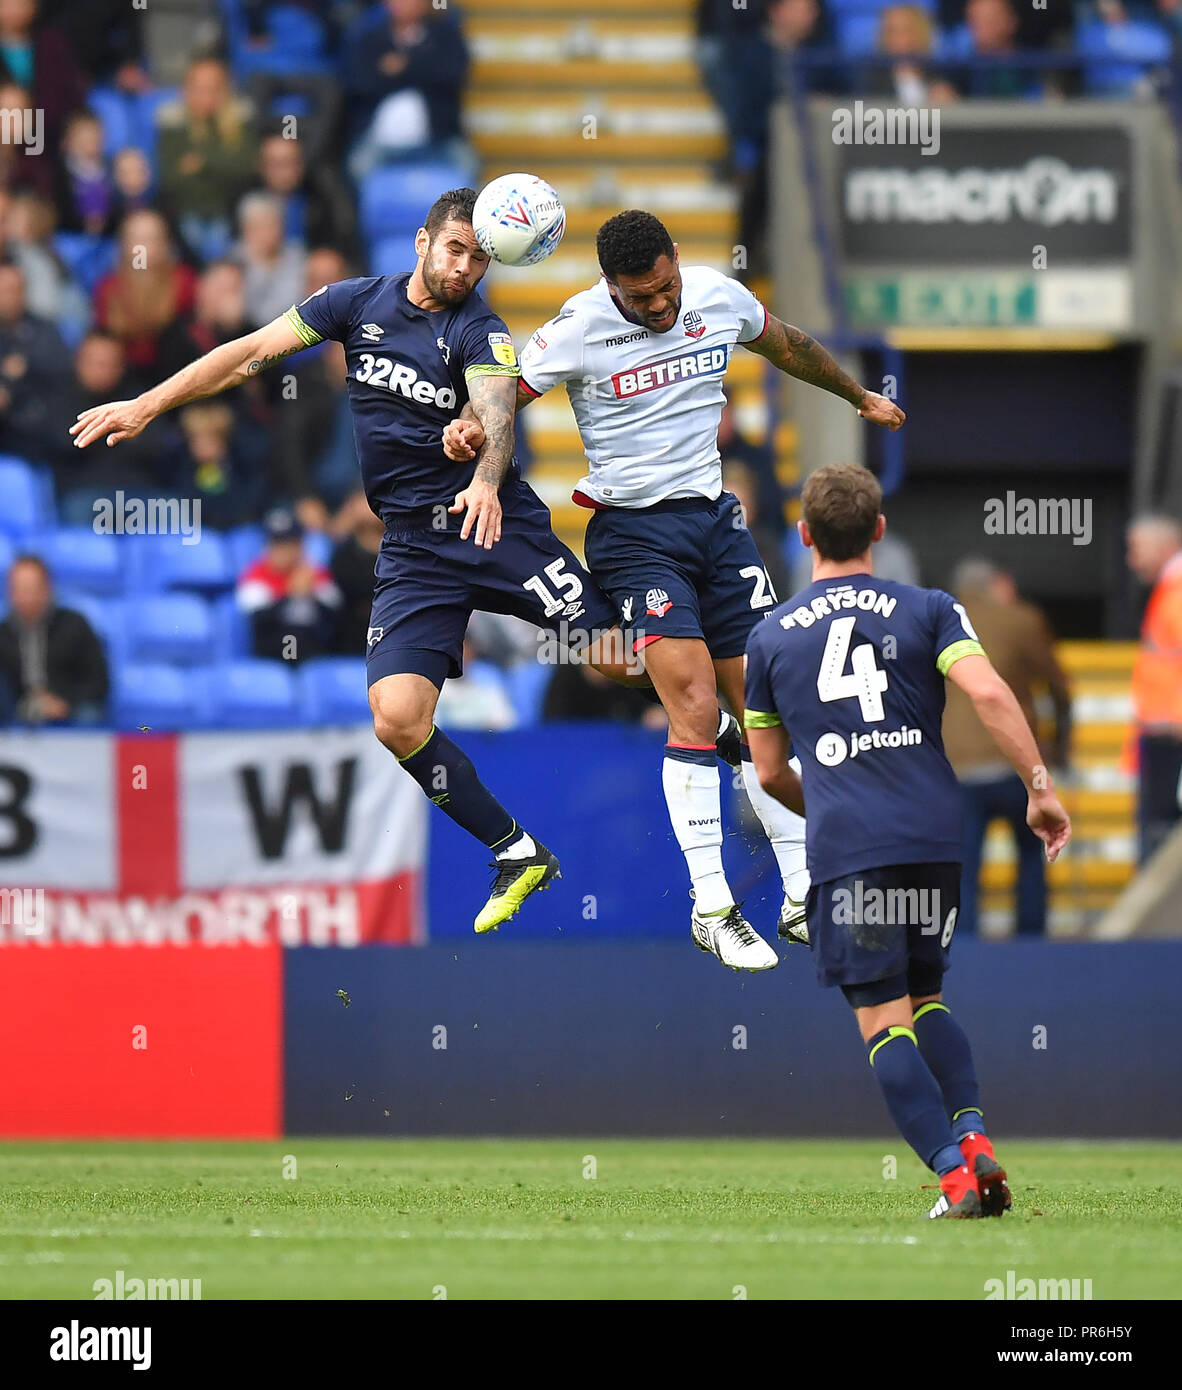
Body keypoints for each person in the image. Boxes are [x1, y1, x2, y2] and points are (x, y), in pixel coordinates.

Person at [70, 187, 686, 938]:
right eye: (455, 250)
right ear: (422, 241)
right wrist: (147, 404)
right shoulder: (351, 303)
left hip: (492, 526)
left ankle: (726, 718)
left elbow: (495, 408)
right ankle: (516, 849)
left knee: (619, 661)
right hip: (415, 548)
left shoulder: (480, 330)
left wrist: (486, 475)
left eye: (481, 257)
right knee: (396, 719)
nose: (465, 269)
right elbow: (249, 355)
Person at [444, 209, 904, 971]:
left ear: (677, 262)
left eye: (664, 290)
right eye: (640, 298)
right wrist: (468, 426)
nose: (658, 307)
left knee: (766, 706)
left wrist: (857, 397)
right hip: (632, 534)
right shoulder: (577, 327)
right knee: (693, 706)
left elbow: (787, 344)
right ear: (609, 286)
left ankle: (798, 895)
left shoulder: (718, 297)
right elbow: (502, 395)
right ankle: (714, 906)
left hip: (717, 525)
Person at [744, 463, 1071, 1218]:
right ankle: (975, 1136)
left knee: (881, 1022)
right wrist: (1039, 788)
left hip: (853, 846)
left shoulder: (768, 638)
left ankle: (957, 1181)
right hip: (933, 836)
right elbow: (990, 692)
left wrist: (821, 797)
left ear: (803, 535)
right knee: (929, 997)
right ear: (879, 533)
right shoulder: (929, 607)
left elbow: (766, 772)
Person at [942, 559, 1072, 936]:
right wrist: (1060, 748)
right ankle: (1030, 943)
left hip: (957, 767)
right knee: (1032, 856)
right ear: (996, 584)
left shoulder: (934, 622)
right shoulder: (1020, 619)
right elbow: (1059, 687)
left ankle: (965, 950)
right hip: (1014, 763)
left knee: (963, 867)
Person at [156, 57, 258, 261]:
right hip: (185, 213)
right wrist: (223, 163)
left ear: (225, 91)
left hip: (230, 212)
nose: (205, 96)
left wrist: (202, 160)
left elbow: (247, 169)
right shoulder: (173, 125)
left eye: (212, 88)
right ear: (186, 90)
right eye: (199, 88)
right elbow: (169, 179)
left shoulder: (240, 121)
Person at [1127, 514, 1182, 862]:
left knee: (1160, 845)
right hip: (1164, 732)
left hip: (1171, 736)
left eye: (1136, 550)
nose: (1131, 561)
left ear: (1164, 547)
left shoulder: (1176, 592)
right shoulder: (1169, 589)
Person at [0, 553, 108, 725]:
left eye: (32, 588)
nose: (26, 597)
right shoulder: (3, 634)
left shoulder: (75, 625)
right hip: (17, 716)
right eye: (19, 589)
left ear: (47, 588)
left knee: (89, 714)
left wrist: (64, 704)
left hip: (71, 711)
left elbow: (98, 682)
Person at [94, 209, 198, 371]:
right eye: (136, 239)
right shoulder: (109, 288)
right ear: (124, 244)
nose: (142, 248)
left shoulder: (185, 281)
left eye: (150, 239)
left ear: (165, 243)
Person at [237, 508, 341, 662]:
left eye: (290, 543)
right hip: (272, 656)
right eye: (278, 544)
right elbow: (258, 620)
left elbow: (337, 614)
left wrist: (311, 594)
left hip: (315, 655)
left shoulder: (315, 572)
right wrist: (291, 594)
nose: (284, 551)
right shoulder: (256, 575)